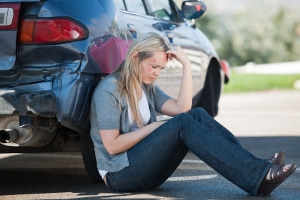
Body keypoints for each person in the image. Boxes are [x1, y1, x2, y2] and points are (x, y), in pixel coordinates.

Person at [90, 32, 297, 196]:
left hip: (145, 171)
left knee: (196, 114)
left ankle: (257, 170)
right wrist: (154, 127)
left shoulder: (146, 87)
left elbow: (183, 108)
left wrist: (187, 65)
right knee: (182, 124)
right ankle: (259, 175)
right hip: (120, 175)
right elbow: (112, 145)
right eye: (153, 66)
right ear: (135, 57)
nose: (156, 73)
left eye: (161, 69)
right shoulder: (109, 91)